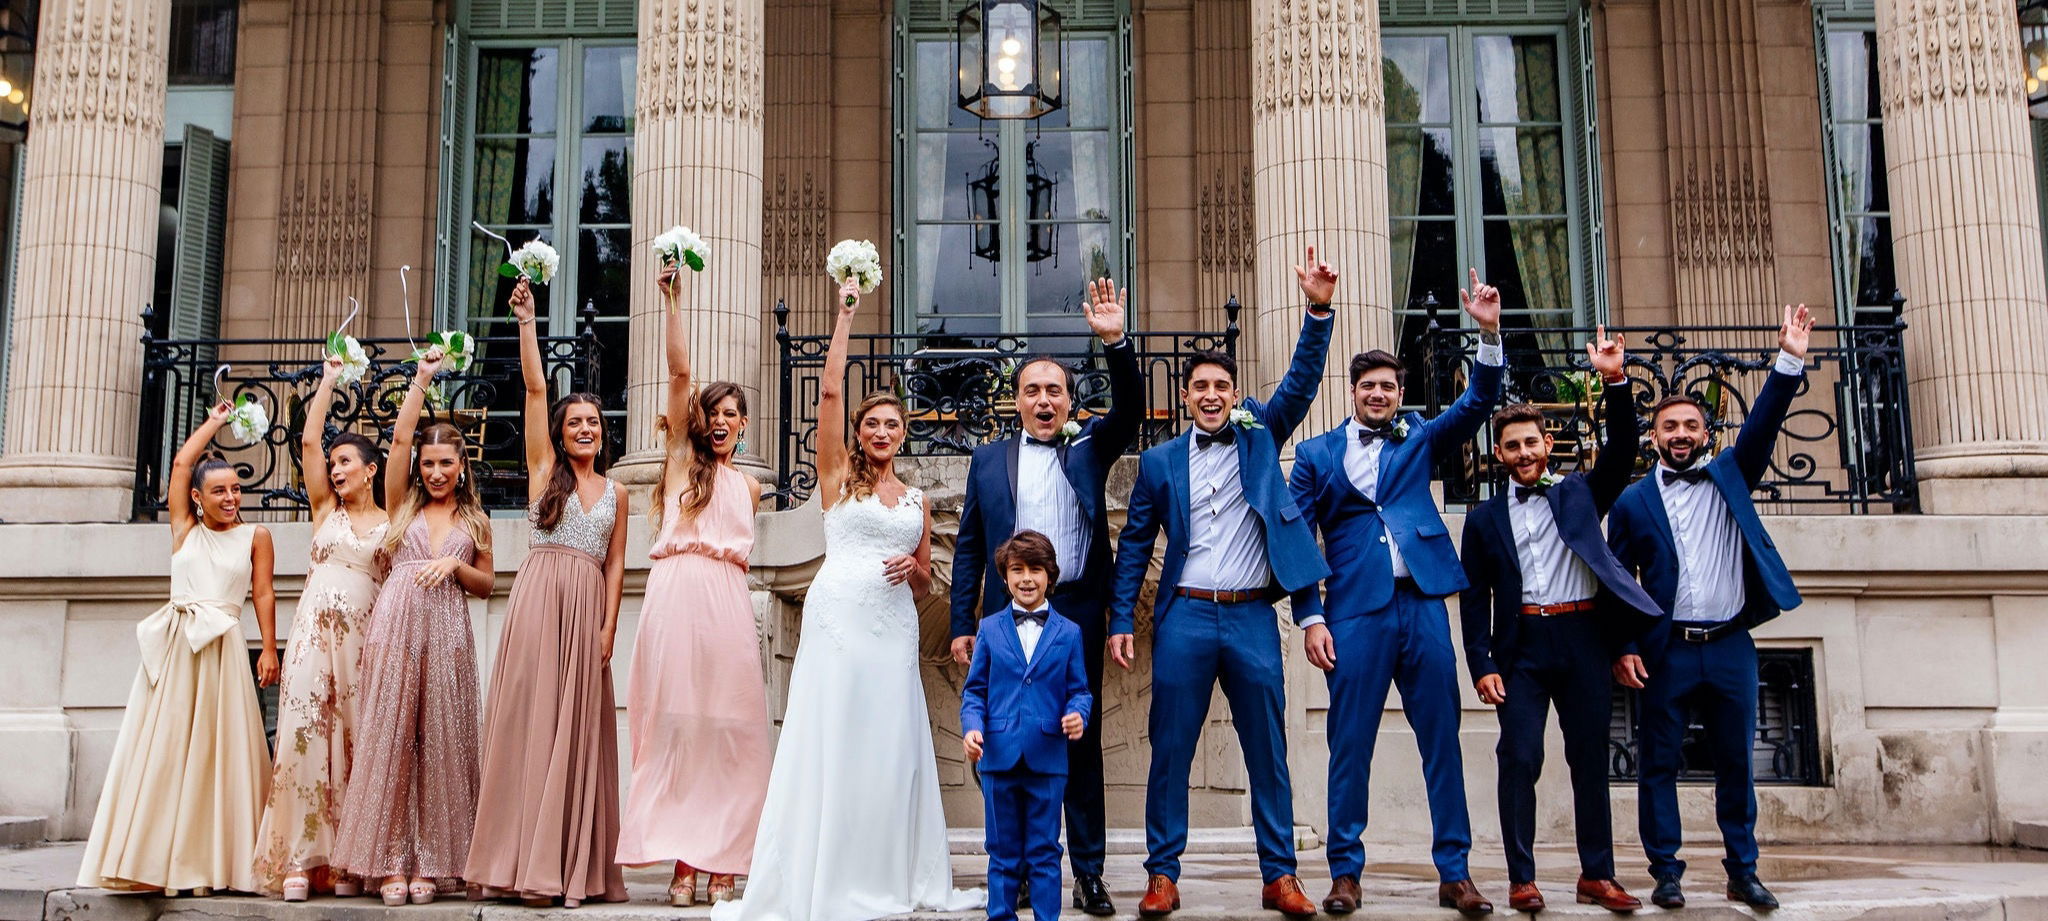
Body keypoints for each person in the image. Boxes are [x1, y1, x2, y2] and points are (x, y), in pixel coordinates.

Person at [713, 277, 982, 921]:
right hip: (839, 619)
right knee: (833, 735)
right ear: (858, 433)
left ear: (903, 434)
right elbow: (829, 391)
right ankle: (823, 873)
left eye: (892, 424)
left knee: (888, 744)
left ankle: (884, 870)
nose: (882, 431)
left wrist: (912, 572)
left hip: (893, 626)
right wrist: (844, 316)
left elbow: (926, 579)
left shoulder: (917, 502)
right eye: (872, 424)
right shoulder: (836, 479)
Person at [1107, 246, 1337, 921]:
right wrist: (1121, 619)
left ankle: (1280, 875)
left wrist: (1318, 311)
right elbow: (1134, 545)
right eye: (1200, 386)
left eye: (1222, 387)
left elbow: (1300, 383)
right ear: (1186, 396)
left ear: (1234, 395)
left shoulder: (1260, 435)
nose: (1211, 395)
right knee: (1170, 749)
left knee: (1267, 749)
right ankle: (1162, 874)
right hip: (1184, 615)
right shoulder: (1158, 462)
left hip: (1251, 617)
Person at [1285, 268, 1505, 917]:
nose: (1378, 394)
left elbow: (1478, 402)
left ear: (1399, 394)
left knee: (1442, 739)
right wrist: (1310, 615)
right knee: (1349, 745)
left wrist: (1489, 333)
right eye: (1368, 385)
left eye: (1388, 386)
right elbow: (1298, 539)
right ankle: (1345, 873)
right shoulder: (1316, 455)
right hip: (1354, 611)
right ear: (1352, 392)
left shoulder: (1419, 437)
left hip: (1424, 604)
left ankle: (1455, 873)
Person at [1607, 304, 1813, 912]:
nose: (1679, 434)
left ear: (1706, 434)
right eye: (1669, 426)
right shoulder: (1632, 502)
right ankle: (1665, 872)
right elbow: (1616, 580)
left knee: (1735, 763)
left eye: (1690, 426)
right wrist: (1623, 646)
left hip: (1729, 646)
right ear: (1654, 438)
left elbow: (1764, 426)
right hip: (1665, 650)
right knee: (1658, 764)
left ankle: (1742, 870)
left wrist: (1788, 360)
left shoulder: (1731, 475)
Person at [949, 277, 1140, 917]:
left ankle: (1087, 872)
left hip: (1077, 611)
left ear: (1069, 400)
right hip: (1004, 618)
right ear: (1017, 402)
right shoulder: (988, 460)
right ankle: (1026, 869)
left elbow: (1130, 412)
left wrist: (1115, 343)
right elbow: (968, 547)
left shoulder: (1089, 447)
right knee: (1006, 740)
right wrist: (962, 622)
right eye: (1032, 390)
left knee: (1078, 737)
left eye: (1054, 390)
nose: (1043, 400)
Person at [1455, 328, 1658, 913]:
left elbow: (1622, 449)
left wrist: (1615, 380)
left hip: (1584, 637)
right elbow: (1474, 598)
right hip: (1522, 647)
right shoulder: (1484, 519)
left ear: (1548, 444)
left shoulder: (1581, 494)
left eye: (1531, 443)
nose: (1523, 454)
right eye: (1511, 446)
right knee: (1520, 758)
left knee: (1589, 759)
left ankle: (1597, 875)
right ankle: (1522, 877)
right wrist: (1482, 664)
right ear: (1499, 454)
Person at [464, 278, 630, 907]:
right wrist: (527, 322)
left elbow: (616, 564)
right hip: (538, 603)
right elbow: (536, 388)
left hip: (587, 612)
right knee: (530, 726)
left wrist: (609, 628)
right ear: (560, 434)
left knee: (577, 733)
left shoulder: (619, 493)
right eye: (575, 422)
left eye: (593, 422)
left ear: (603, 432)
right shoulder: (543, 471)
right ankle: (519, 865)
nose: (585, 429)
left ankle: (566, 867)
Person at [616, 265, 772, 906]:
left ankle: (722, 860)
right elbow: (679, 374)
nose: (722, 420)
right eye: (714, 412)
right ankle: (683, 860)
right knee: (678, 725)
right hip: (676, 593)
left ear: (744, 424)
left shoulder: (751, 487)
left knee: (729, 728)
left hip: (726, 600)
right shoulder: (682, 461)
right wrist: (673, 303)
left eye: (732, 414)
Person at [79, 404, 280, 895]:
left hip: (223, 651)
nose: (231, 498)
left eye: (236, 489)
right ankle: (158, 864)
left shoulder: (256, 536)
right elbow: (181, 463)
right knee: (166, 753)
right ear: (197, 497)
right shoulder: (184, 530)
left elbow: (263, 593)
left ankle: (213, 866)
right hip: (175, 653)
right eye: (220, 491)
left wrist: (269, 649)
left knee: (218, 757)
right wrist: (215, 422)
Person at [331, 346, 495, 907]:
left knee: (442, 743)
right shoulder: (401, 504)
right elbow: (399, 440)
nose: (436, 472)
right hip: (397, 623)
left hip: (448, 630)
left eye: (445, 463)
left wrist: (456, 566)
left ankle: (434, 861)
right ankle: (387, 864)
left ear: (462, 465)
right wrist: (422, 378)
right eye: (428, 464)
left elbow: (487, 584)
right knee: (392, 738)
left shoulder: (476, 519)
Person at [252, 355, 391, 900]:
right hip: (313, 634)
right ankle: (298, 858)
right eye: (333, 464)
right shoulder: (322, 511)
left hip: (364, 639)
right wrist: (329, 378)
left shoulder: (391, 522)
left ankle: (348, 861)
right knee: (304, 737)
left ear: (370, 470)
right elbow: (308, 442)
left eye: (345, 462)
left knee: (354, 741)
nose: (335, 470)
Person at [961, 530, 1093, 921]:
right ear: (1005, 577)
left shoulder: (1069, 633)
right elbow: (975, 691)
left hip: (1048, 758)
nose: (1027, 578)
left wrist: (1078, 714)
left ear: (1050, 575)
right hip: (998, 756)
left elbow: (1080, 691)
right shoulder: (989, 629)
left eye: (1036, 569)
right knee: (1002, 851)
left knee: (1045, 851)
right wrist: (972, 728)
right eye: (1017, 569)